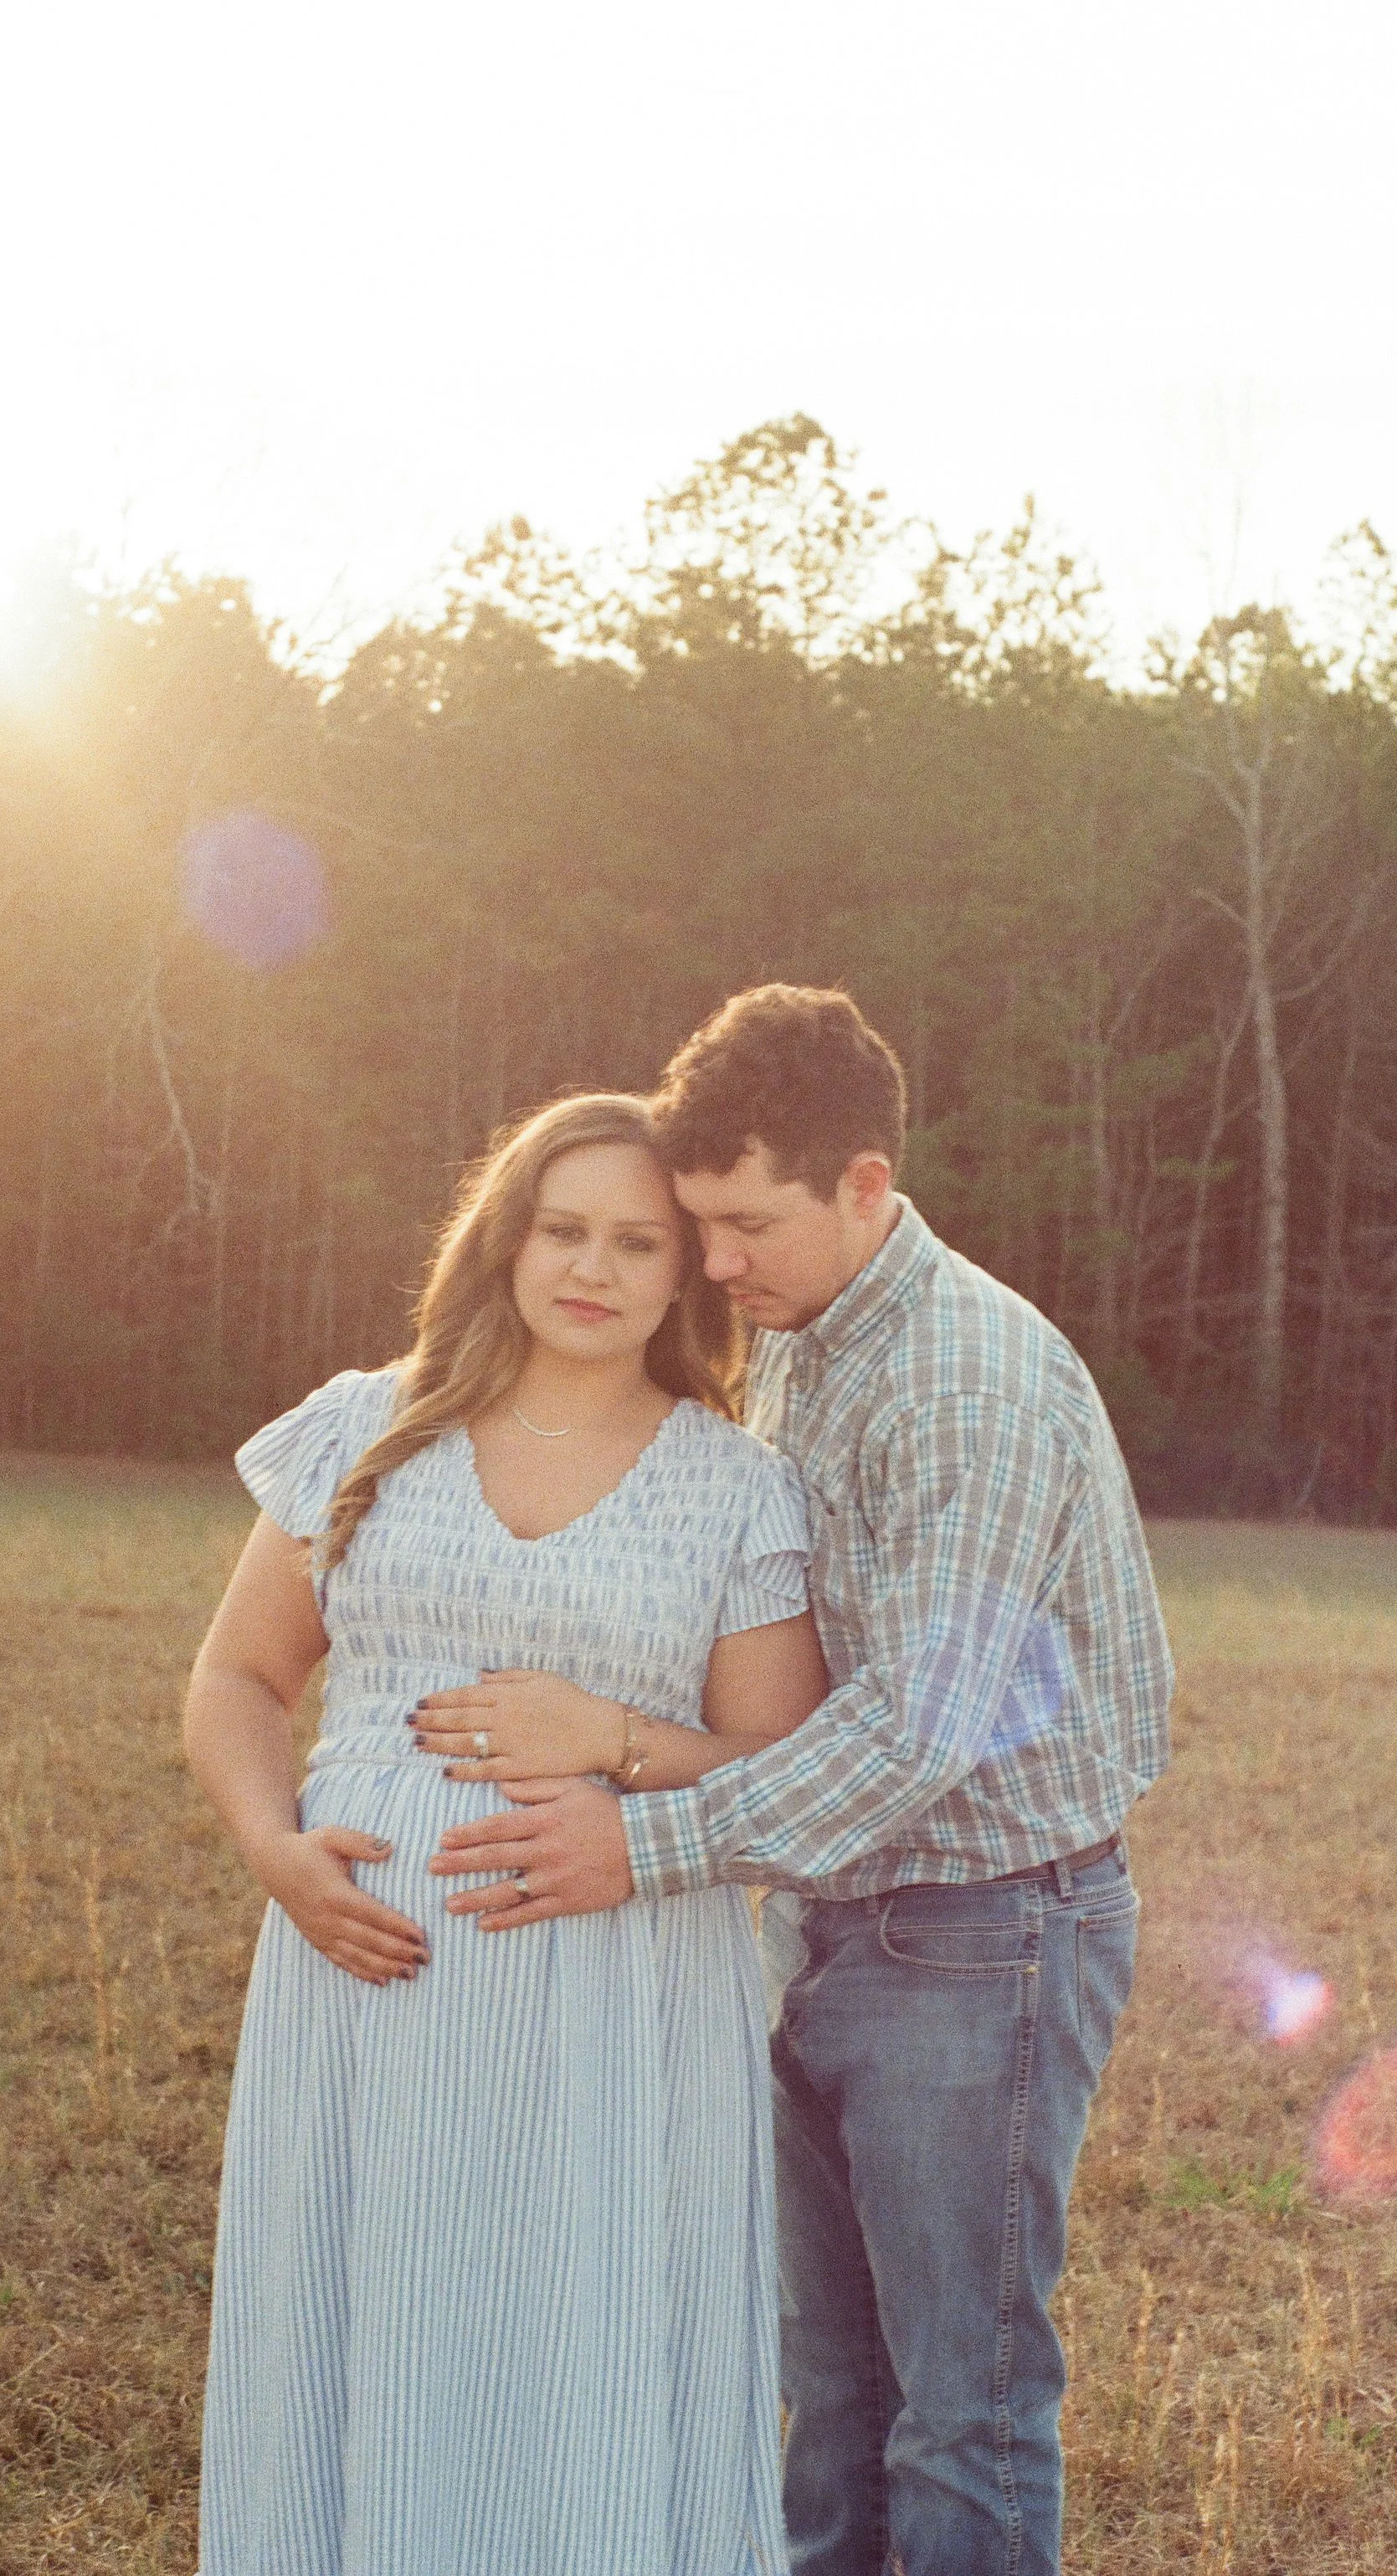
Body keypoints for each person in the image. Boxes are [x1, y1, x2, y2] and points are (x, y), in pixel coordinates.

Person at [433, 988, 1174, 2576]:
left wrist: (648, 1841)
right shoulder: (805, 1339)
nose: (713, 1266)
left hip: (982, 1933)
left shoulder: (961, 1380)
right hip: (835, 1919)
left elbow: (915, 1730)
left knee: (958, 2410)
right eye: (695, 1224)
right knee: (830, 2393)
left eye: (745, 1224)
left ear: (865, 1183)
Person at [182, 1090, 828, 2576]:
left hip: (619, 1989)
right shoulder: (369, 1424)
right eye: (564, 1231)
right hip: (367, 1985)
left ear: (685, 1275)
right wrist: (275, 1850)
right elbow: (238, 1677)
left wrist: (611, 1740)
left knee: (579, 2341)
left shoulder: (736, 1487)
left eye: (636, 1242)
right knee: (374, 2321)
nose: (592, 1269)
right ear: (509, 1239)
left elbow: (776, 1765)